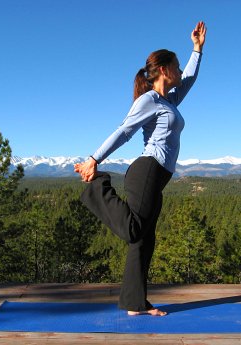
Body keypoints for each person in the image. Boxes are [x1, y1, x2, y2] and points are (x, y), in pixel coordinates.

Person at [74, 21, 207, 316]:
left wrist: (196, 49)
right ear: (163, 69)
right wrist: (95, 159)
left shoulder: (169, 100)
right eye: (175, 65)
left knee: (145, 240)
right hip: (147, 170)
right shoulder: (148, 100)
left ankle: (135, 304)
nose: (178, 71)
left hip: (157, 178)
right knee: (134, 231)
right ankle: (97, 186)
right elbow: (124, 130)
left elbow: (190, 77)